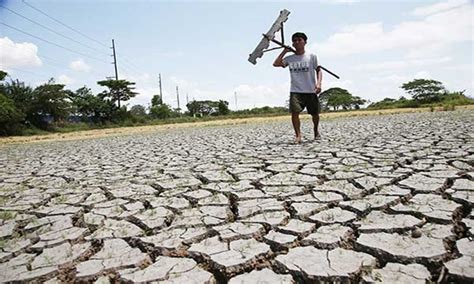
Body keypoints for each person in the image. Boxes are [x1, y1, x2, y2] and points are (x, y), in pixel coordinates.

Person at [273, 32, 322, 143]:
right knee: (295, 113)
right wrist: (285, 51)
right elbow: (276, 64)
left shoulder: (312, 56)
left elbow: (319, 70)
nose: (297, 42)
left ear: (305, 42)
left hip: (310, 90)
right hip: (296, 90)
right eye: (294, 40)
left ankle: (316, 131)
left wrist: (319, 84)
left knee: (315, 113)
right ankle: (298, 135)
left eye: (299, 40)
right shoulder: (290, 58)